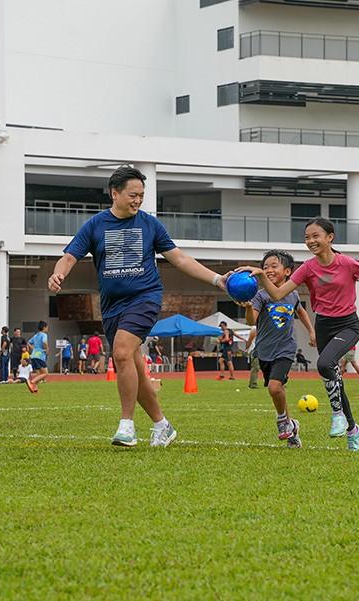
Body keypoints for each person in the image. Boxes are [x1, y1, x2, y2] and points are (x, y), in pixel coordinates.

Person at [48, 165, 231, 448]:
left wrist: (217, 279)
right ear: (115, 193)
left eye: (141, 196)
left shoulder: (149, 224)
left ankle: (127, 426)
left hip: (145, 298)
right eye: (133, 195)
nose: (138, 200)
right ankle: (162, 425)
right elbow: (70, 257)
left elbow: (180, 259)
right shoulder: (95, 225)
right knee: (132, 365)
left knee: (121, 352)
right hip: (112, 306)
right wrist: (58, 274)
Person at [240, 217, 359, 451]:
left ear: (330, 237)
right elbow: (277, 294)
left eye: (315, 236)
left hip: (348, 325)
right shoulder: (307, 268)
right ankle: (353, 430)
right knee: (334, 378)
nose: (310, 241)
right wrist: (261, 275)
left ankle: (337, 414)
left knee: (324, 364)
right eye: (307, 237)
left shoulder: (348, 263)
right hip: (324, 325)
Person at [241, 250, 315, 448]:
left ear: (288, 271)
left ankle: (282, 420)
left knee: (274, 387)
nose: (269, 270)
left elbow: (301, 312)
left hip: (286, 348)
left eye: (274, 266)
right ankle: (292, 427)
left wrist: (311, 331)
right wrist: (247, 307)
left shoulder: (293, 294)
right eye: (265, 267)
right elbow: (251, 321)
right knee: (277, 390)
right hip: (265, 350)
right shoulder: (260, 296)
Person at [26, 321, 50, 392]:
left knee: (38, 374)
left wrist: (33, 348)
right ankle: (31, 382)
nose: (47, 328)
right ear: (44, 327)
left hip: (33, 355)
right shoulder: (44, 335)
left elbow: (28, 342)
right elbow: (44, 342)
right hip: (40, 356)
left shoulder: (36, 335)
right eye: (47, 327)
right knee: (45, 373)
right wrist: (47, 349)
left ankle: (34, 388)